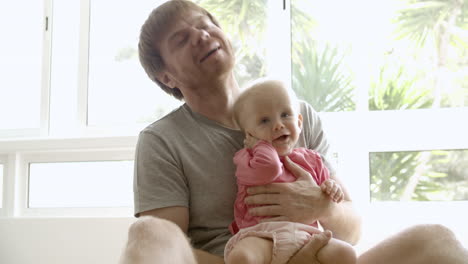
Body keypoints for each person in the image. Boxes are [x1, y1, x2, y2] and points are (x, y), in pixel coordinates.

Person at [120, 1, 468, 263]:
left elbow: (352, 229)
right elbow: (171, 246)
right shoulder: (162, 141)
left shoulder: (298, 116)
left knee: (438, 241)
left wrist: (320, 207)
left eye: (205, 25)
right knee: (147, 231)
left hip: (318, 254)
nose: (201, 35)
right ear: (166, 77)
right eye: (182, 39)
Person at [225, 78, 356, 264]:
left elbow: (324, 190)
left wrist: (330, 188)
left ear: (300, 123)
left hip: (306, 236)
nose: (278, 125)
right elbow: (269, 169)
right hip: (262, 235)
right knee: (242, 257)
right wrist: (259, 146)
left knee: (346, 253)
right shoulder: (248, 158)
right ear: (249, 134)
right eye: (264, 121)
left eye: (286, 115)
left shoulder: (312, 159)